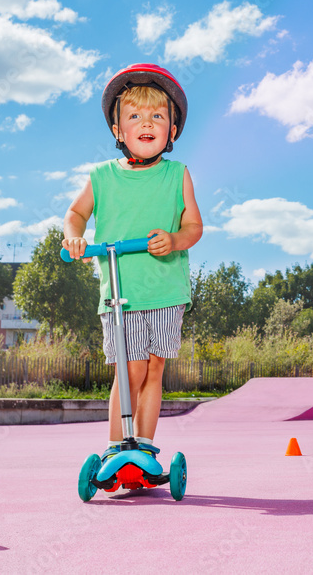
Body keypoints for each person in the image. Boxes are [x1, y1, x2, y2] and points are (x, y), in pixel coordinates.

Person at [62, 63, 202, 463]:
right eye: (135, 115)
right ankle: (115, 449)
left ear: (172, 130)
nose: (147, 122)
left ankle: (143, 449)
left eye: (158, 115)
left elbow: (194, 226)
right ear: (118, 131)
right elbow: (75, 213)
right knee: (130, 370)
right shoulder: (102, 176)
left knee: (154, 368)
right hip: (122, 294)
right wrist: (75, 236)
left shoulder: (178, 175)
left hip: (165, 291)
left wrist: (175, 239)